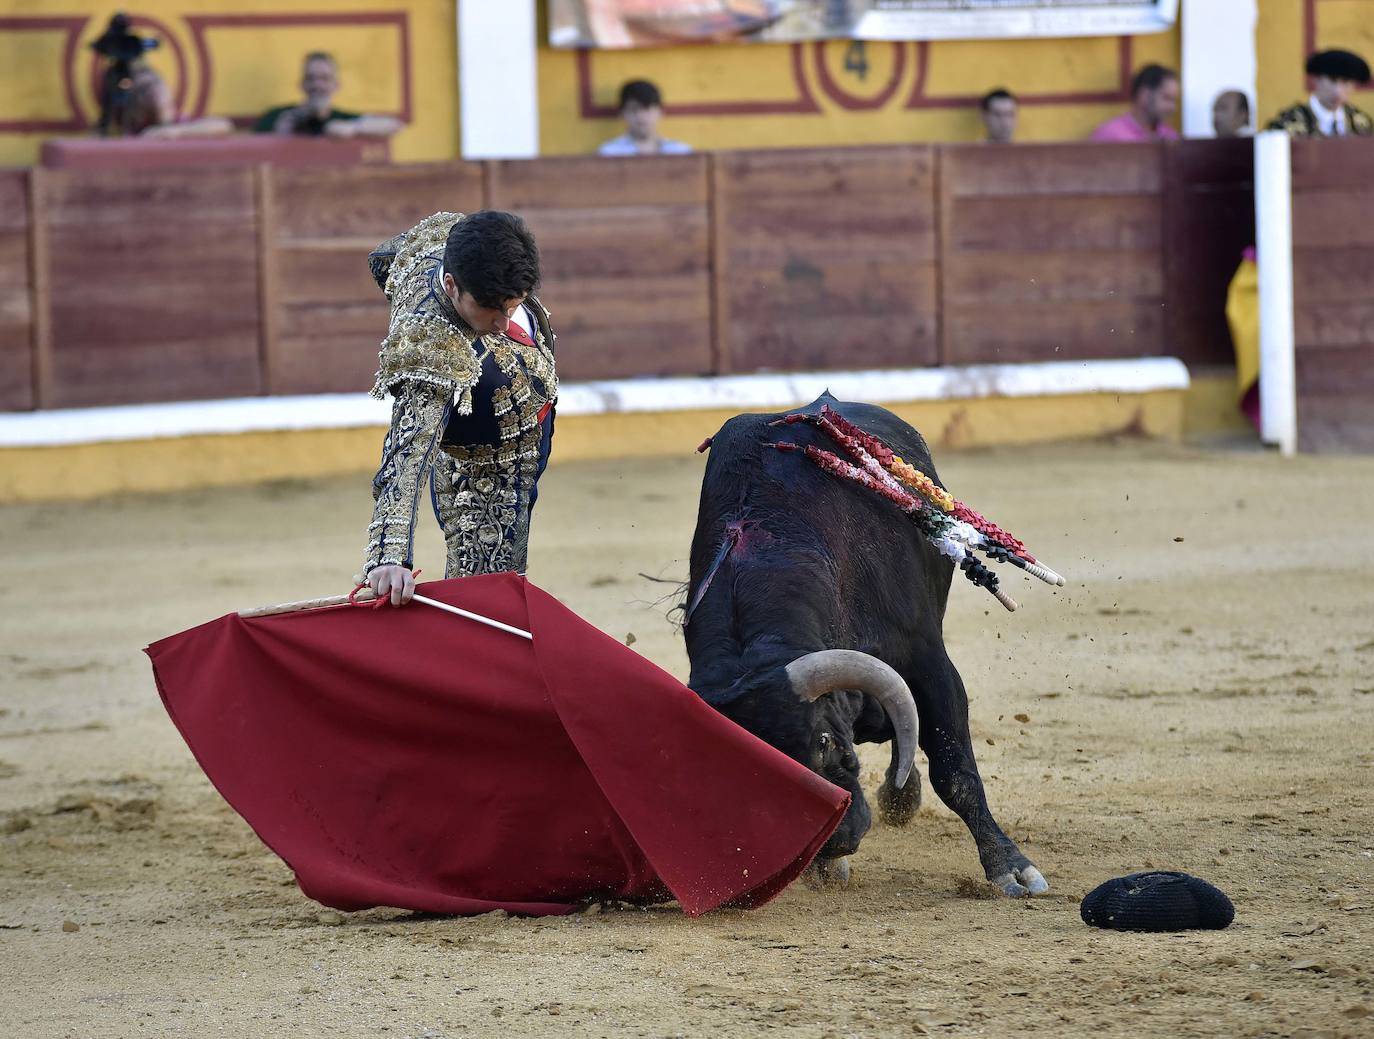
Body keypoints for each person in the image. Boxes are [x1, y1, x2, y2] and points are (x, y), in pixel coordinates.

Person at [361, 211, 557, 607]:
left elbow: (384, 258)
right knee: (485, 601)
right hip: (485, 464)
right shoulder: (430, 346)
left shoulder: (456, 244)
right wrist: (389, 555)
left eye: (513, 306)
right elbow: (409, 449)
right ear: (451, 285)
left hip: (528, 418)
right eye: (490, 309)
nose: (504, 322)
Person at [255, 52, 403, 138]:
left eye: (325, 78)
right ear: (302, 84)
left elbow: (394, 125)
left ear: (336, 86)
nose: (317, 85)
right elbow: (250, 144)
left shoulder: (342, 118)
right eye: (311, 78)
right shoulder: (277, 115)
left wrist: (353, 128)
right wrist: (278, 134)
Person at [1267, 49, 1373, 138]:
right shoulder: (1287, 125)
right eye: (1332, 80)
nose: (1338, 91)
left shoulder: (1364, 125)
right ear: (1316, 80)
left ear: (1354, 85)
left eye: (1346, 82)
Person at [127, 66, 232, 139]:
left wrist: (176, 131)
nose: (153, 92)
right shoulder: (137, 130)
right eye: (145, 89)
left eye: (156, 84)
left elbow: (223, 126)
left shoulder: (180, 123)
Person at [598, 80, 692, 156]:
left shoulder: (680, 152)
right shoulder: (609, 153)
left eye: (647, 109)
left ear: (660, 111)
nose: (641, 116)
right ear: (622, 113)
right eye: (634, 109)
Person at [1091, 64, 1180, 142]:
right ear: (1144, 94)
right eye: (1166, 98)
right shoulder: (1110, 135)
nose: (1172, 107)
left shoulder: (1170, 136)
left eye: (1173, 100)